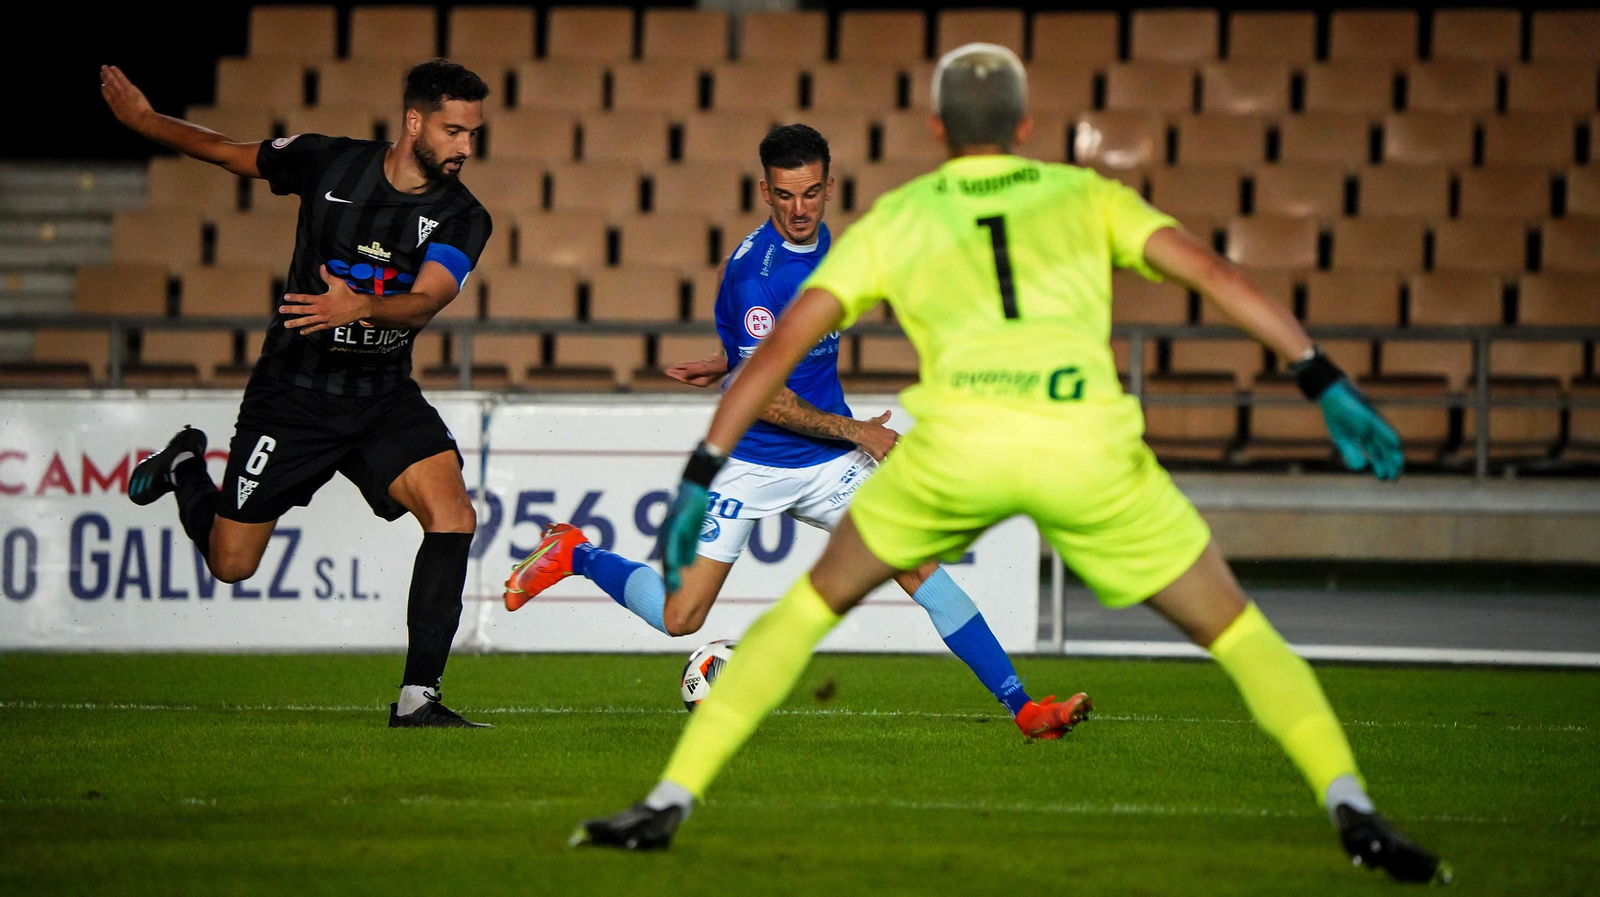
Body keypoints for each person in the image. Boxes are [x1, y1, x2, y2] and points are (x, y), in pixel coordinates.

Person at [572, 44, 1450, 885]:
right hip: (1086, 449)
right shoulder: (1085, 194)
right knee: (1239, 629)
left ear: (934, 128)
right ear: (1027, 126)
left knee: (805, 613)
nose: (800, 207)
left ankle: (667, 801)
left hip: (963, 449)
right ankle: (1351, 804)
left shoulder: (898, 220)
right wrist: (1318, 372)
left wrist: (697, 470)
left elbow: (769, 362)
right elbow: (1213, 272)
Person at [505, 124, 1089, 739]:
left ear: (829, 186)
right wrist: (854, 429)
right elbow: (767, 399)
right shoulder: (756, 276)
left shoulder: (826, 244)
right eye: (785, 196)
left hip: (827, 463)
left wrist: (732, 357)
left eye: (811, 193)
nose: (799, 209)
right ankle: (575, 552)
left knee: (920, 568)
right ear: (765, 191)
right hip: (751, 463)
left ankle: (1026, 711)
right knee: (680, 618)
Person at [104, 59, 495, 728]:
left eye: (473, 134)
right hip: (292, 396)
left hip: (379, 397)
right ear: (414, 122)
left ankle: (417, 698)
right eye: (453, 131)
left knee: (453, 513)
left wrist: (360, 307)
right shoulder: (328, 164)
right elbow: (229, 154)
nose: (465, 148)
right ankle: (184, 466)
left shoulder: (461, 216)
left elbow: (427, 300)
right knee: (230, 563)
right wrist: (145, 121)